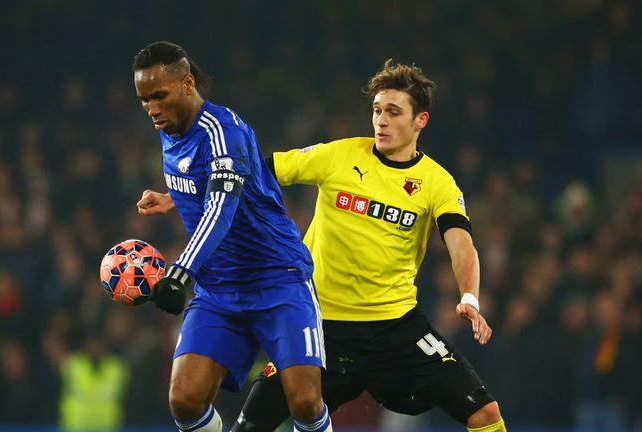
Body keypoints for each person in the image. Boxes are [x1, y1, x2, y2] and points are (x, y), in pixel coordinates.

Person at [231, 60, 507, 432]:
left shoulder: (437, 182)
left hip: (395, 331)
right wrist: (183, 194)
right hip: (317, 327)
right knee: (249, 427)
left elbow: (462, 245)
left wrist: (469, 297)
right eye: (377, 111)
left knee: (485, 413)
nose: (381, 120)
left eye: (394, 112)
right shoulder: (339, 156)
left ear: (420, 121)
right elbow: (256, 172)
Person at [132, 41, 332, 432]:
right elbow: (216, 180)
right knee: (184, 400)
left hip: (279, 280)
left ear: (187, 84)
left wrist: (179, 273)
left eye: (159, 96)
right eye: (143, 100)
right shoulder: (170, 127)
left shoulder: (225, 131)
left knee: (306, 402)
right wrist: (175, 195)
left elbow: (221, 207)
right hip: (220, 291)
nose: (152, 109)